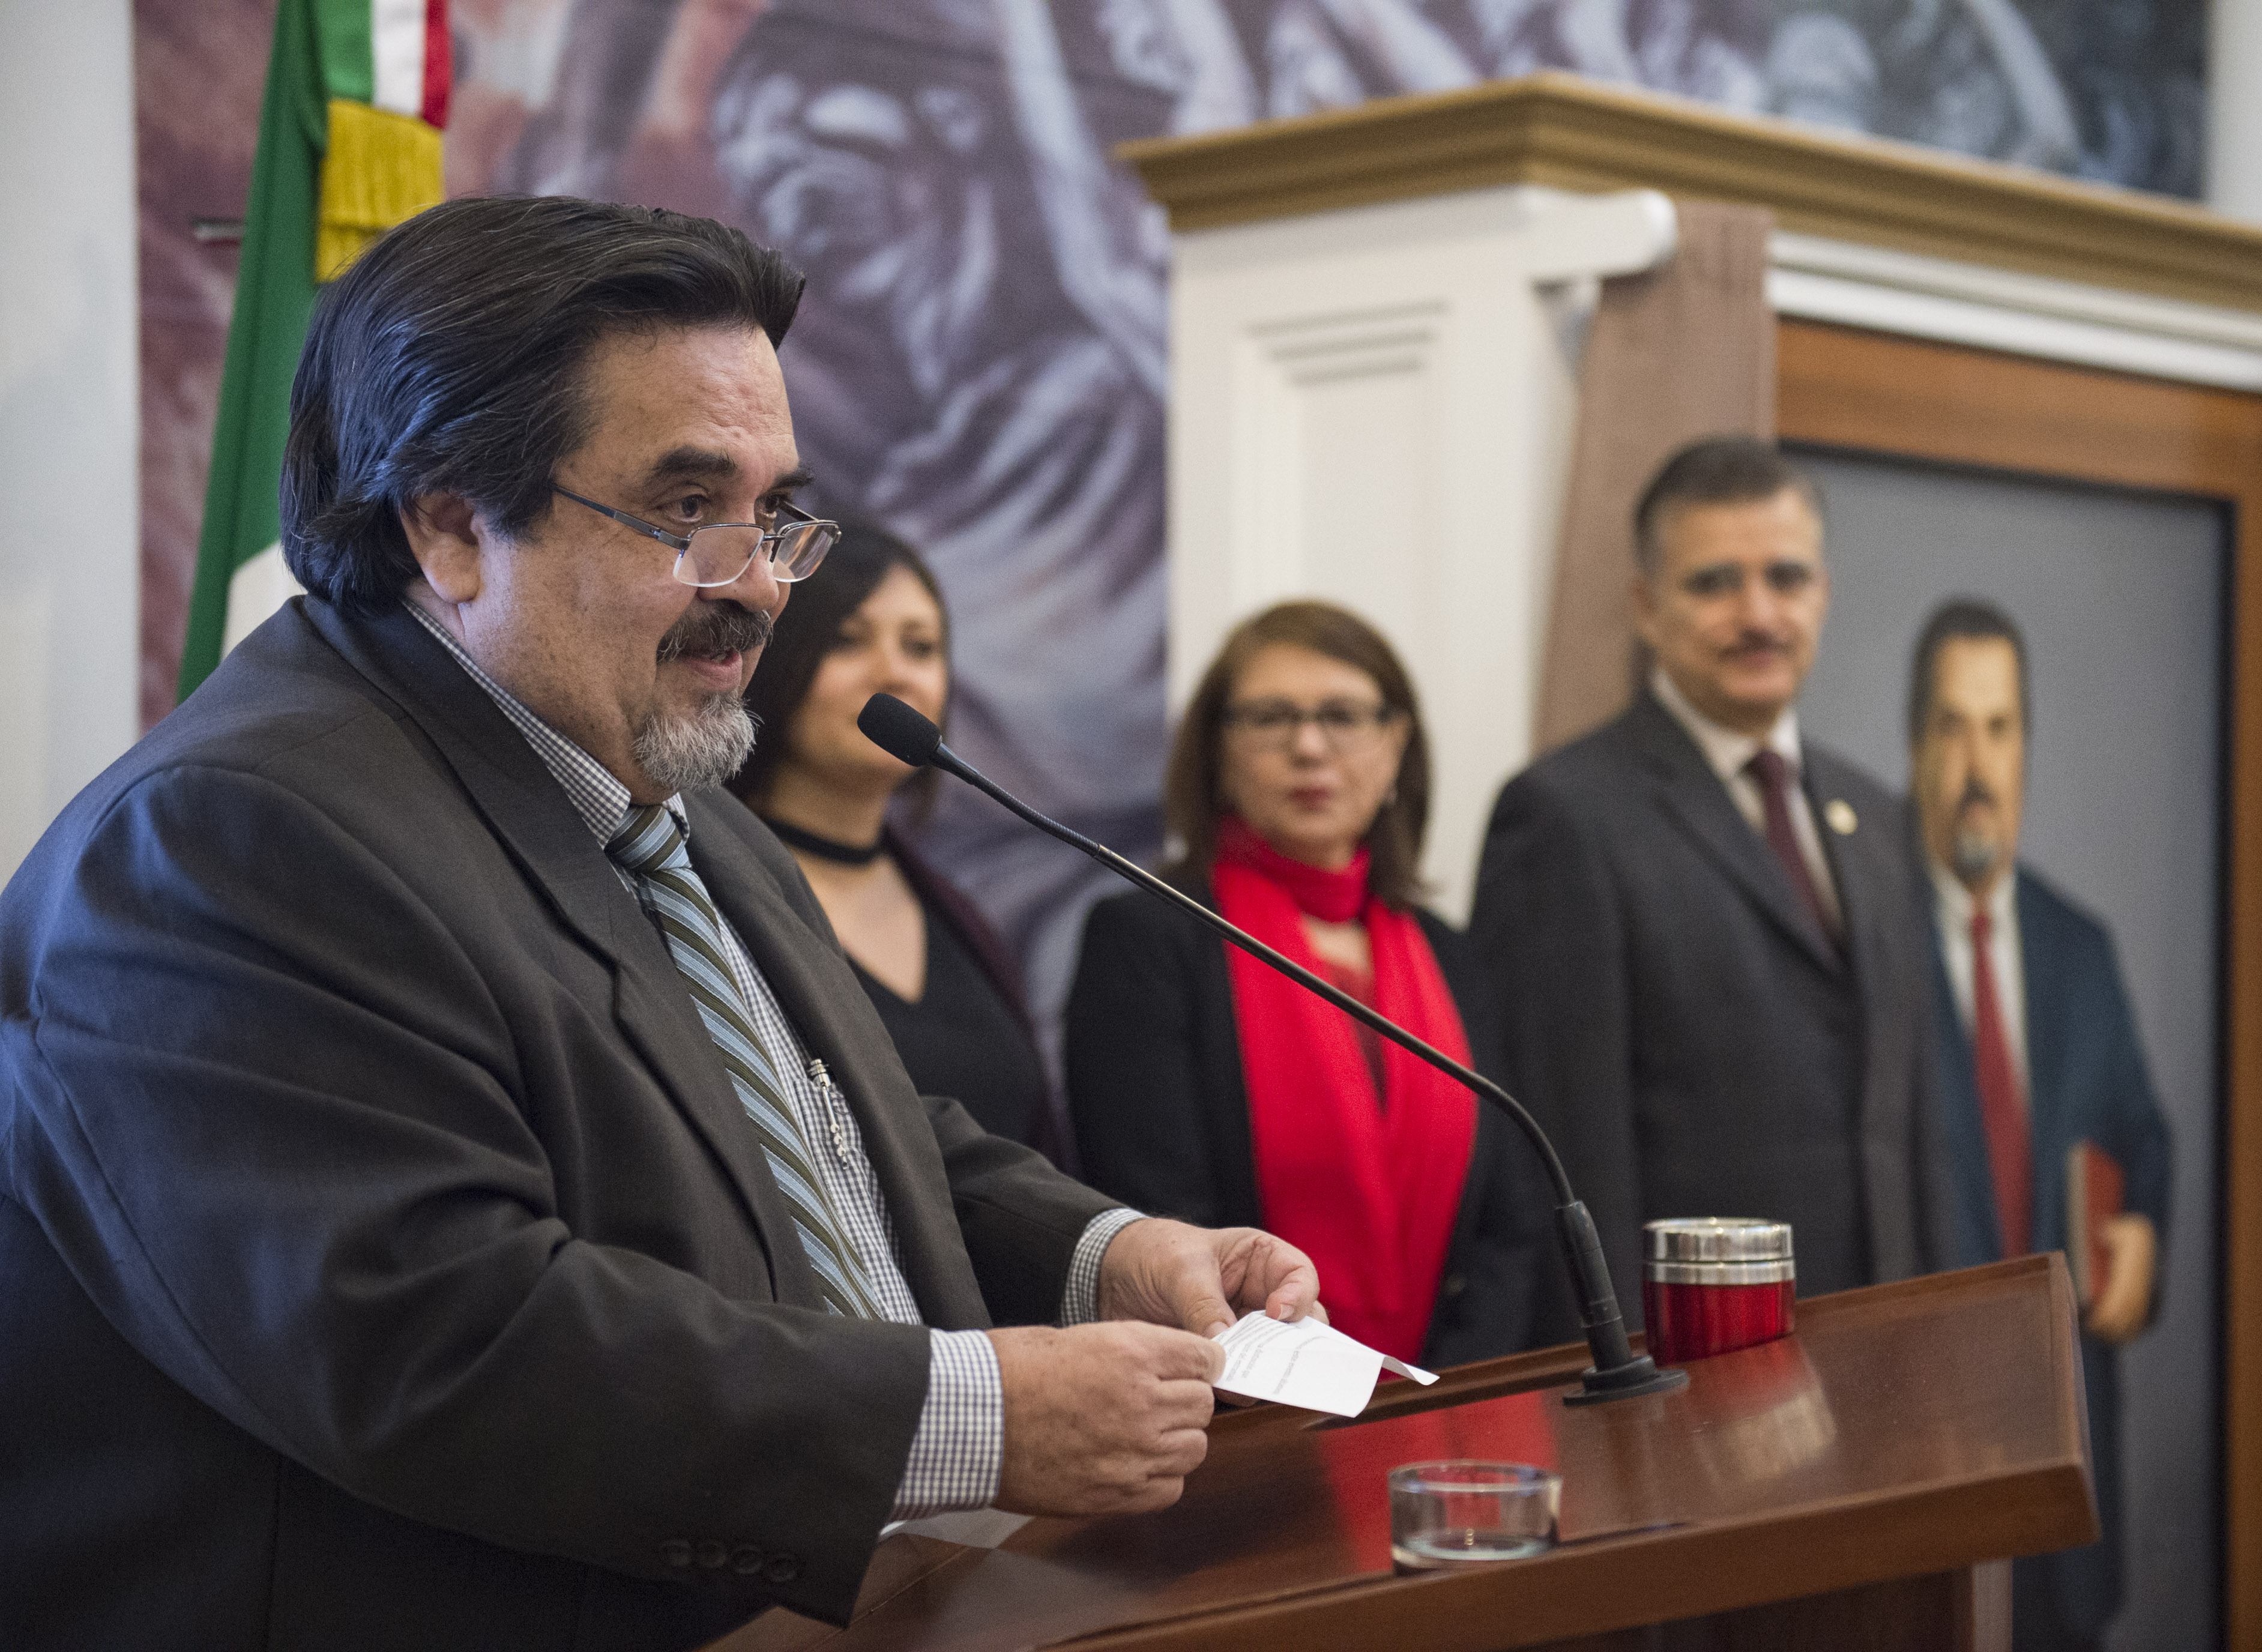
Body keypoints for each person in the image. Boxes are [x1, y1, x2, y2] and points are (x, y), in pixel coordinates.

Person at [0, 196, 1323, 1651]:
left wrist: (1104, 1254)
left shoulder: (659, 787)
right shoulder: (225, 841)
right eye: (688, 511)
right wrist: (976, 1422)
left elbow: (844, 1126)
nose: (758, 584)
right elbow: (445, 1337)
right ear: (447, 521)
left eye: (771, 514)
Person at [1471, 436, 1953, 1337]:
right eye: (1713, 583)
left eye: (1785, 576)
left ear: (1824, 592)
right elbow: (1566, 1158)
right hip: (1694, 1363)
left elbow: (1915, 1128)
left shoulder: (1877, 816)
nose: (1758, 613)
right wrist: (1617, 1383)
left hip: (1879, 1343)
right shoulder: (1564, 816)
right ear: (1646, 607)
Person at [1066, 601, 1547, 1370]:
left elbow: (1512, 1219)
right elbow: (1158, 1214)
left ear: (1396, 748)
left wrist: (1439, 1389)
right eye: (1270, 717)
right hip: (1238, 1406)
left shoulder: (1450, 953)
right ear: (1218, 751)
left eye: (1343, 715)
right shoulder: (1149, 938)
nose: (1310, 745)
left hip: (1448, 1398)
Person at [1908, 598, 2171, 1652]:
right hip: (1920, 1462)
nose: (1977, 761)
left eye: (1999, 727)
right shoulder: (1857, 943)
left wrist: (2144, 1227)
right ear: (1914, 746)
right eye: (1950, 726)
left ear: (2025, 747)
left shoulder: (2078, 946)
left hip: (2066, 1459)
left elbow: (2138, 1133)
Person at [728, 525, 1050, 1151]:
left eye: (921, 647)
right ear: (778, 657)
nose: (895, 674)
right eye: (848, 641)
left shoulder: (960, 918)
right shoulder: (718, 885)